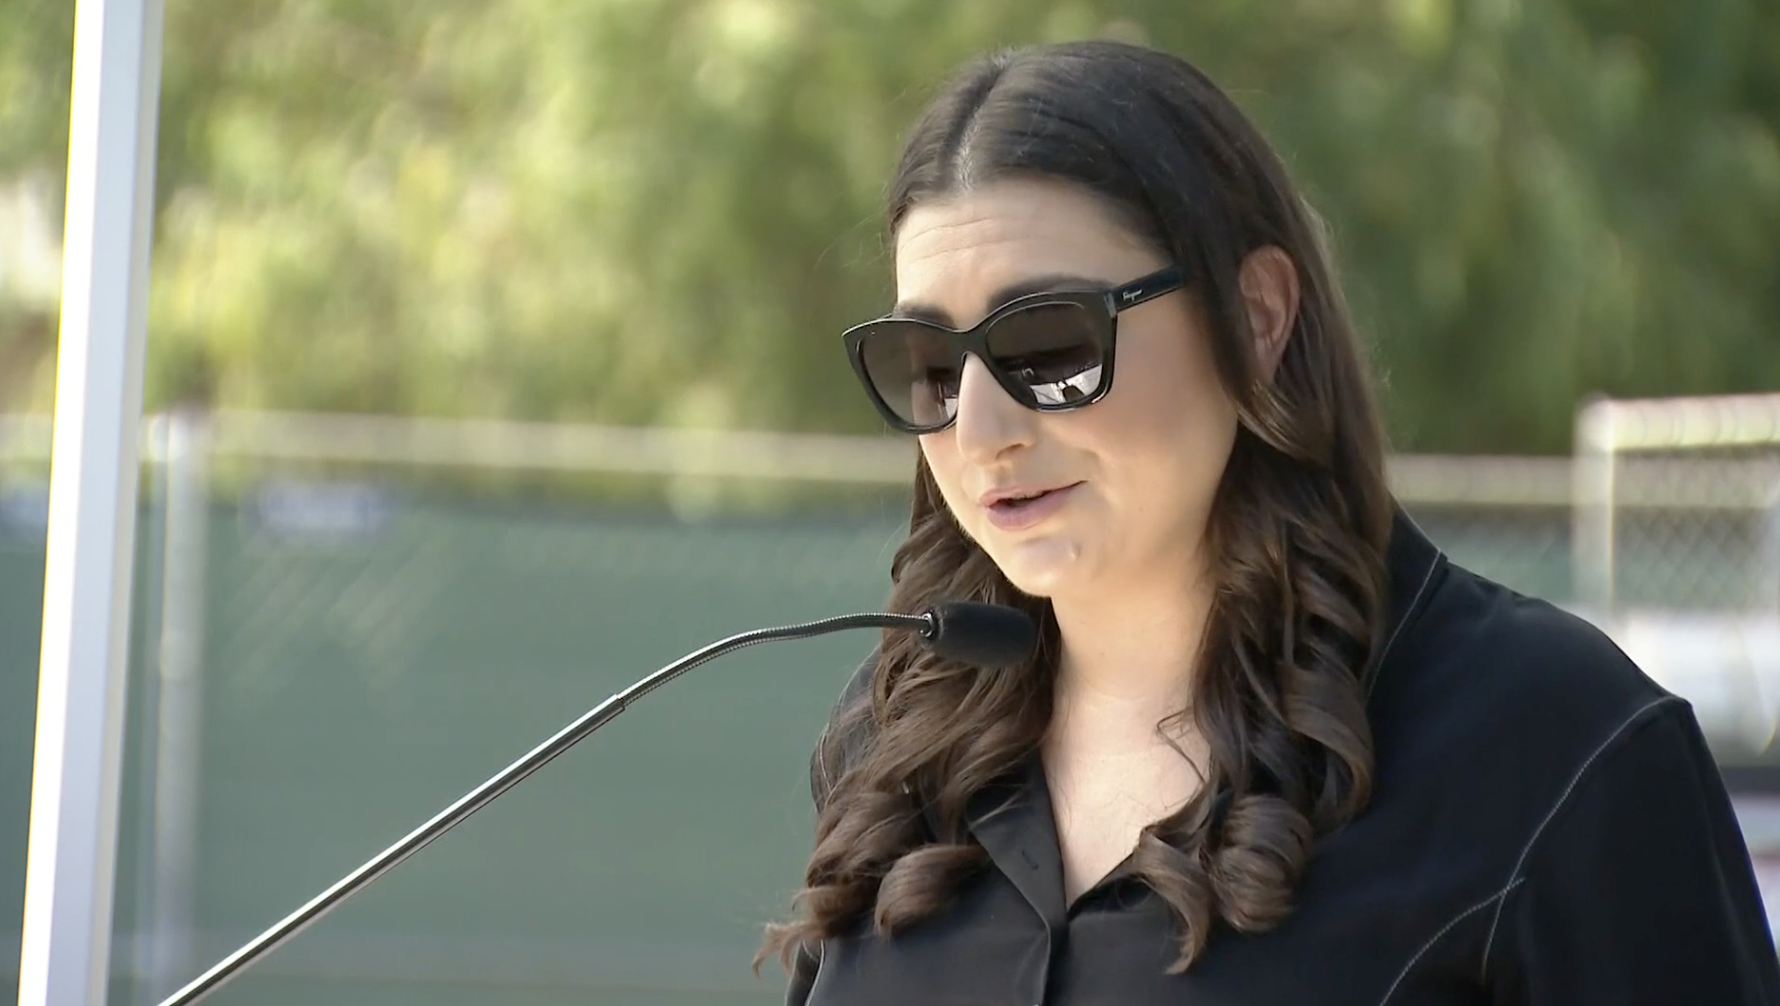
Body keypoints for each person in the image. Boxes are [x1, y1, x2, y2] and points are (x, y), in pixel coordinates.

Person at [757, 38, 1780, 1005]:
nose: (980, 432)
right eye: (930, 366)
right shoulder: (894, 742)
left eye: (1050, 346)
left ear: (1256, 317)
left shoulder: (1555, 745)